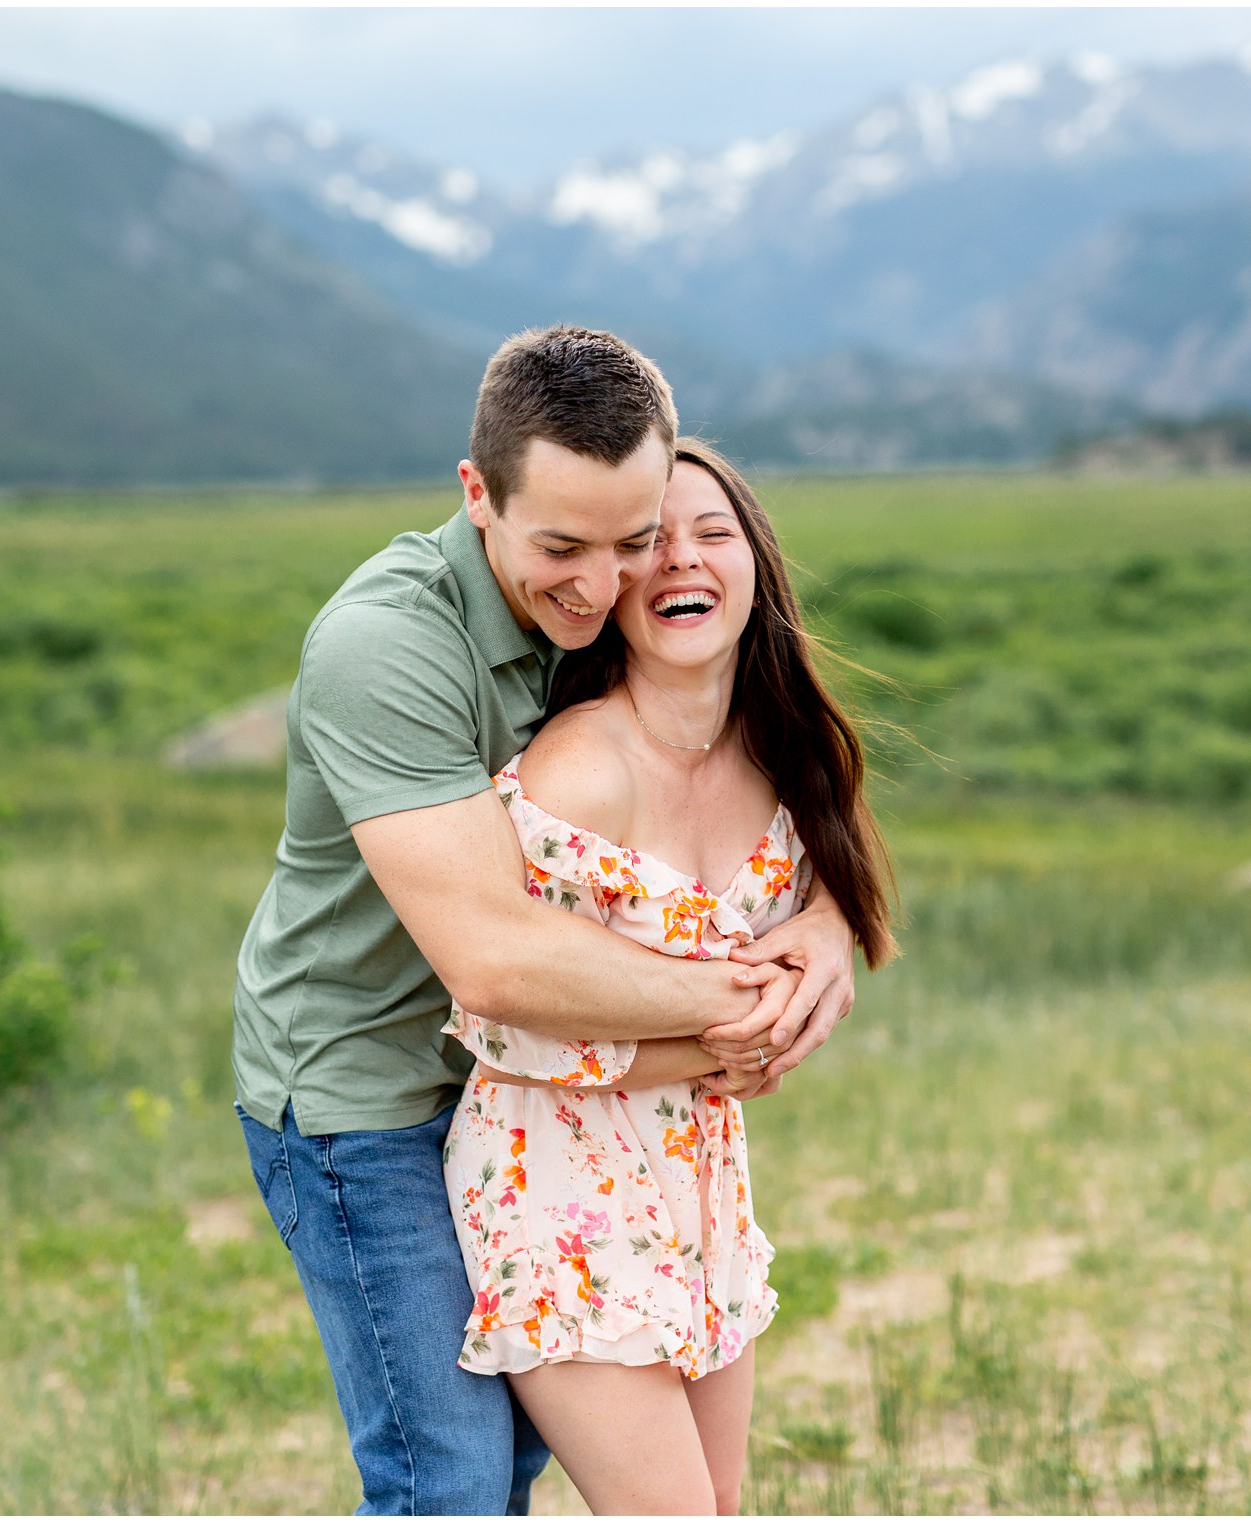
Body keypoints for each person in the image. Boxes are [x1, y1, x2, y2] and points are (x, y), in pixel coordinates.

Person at [232, 327, 863, 1515]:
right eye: (560, 546)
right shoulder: (391, 645)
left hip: (540, 1095)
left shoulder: (607, 620)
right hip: (364, 1088)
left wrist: (826, 930)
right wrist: (748, 1006)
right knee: (452, 1479)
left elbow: (748, 799)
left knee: (528, 1464)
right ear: (478, 495)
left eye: (633, 541)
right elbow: (497, 957)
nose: (599, 579)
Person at [440, 440, 899, 1514]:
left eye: (713, 533)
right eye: (654, 542)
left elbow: (837, 899)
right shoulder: (578, 770)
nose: (682, 560)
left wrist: (828, 940)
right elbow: (495, 1013)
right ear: (614, 585)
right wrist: (724, 1039)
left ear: (756, 568)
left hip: (704, 1181)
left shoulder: (783, 762)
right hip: (557, 1181)